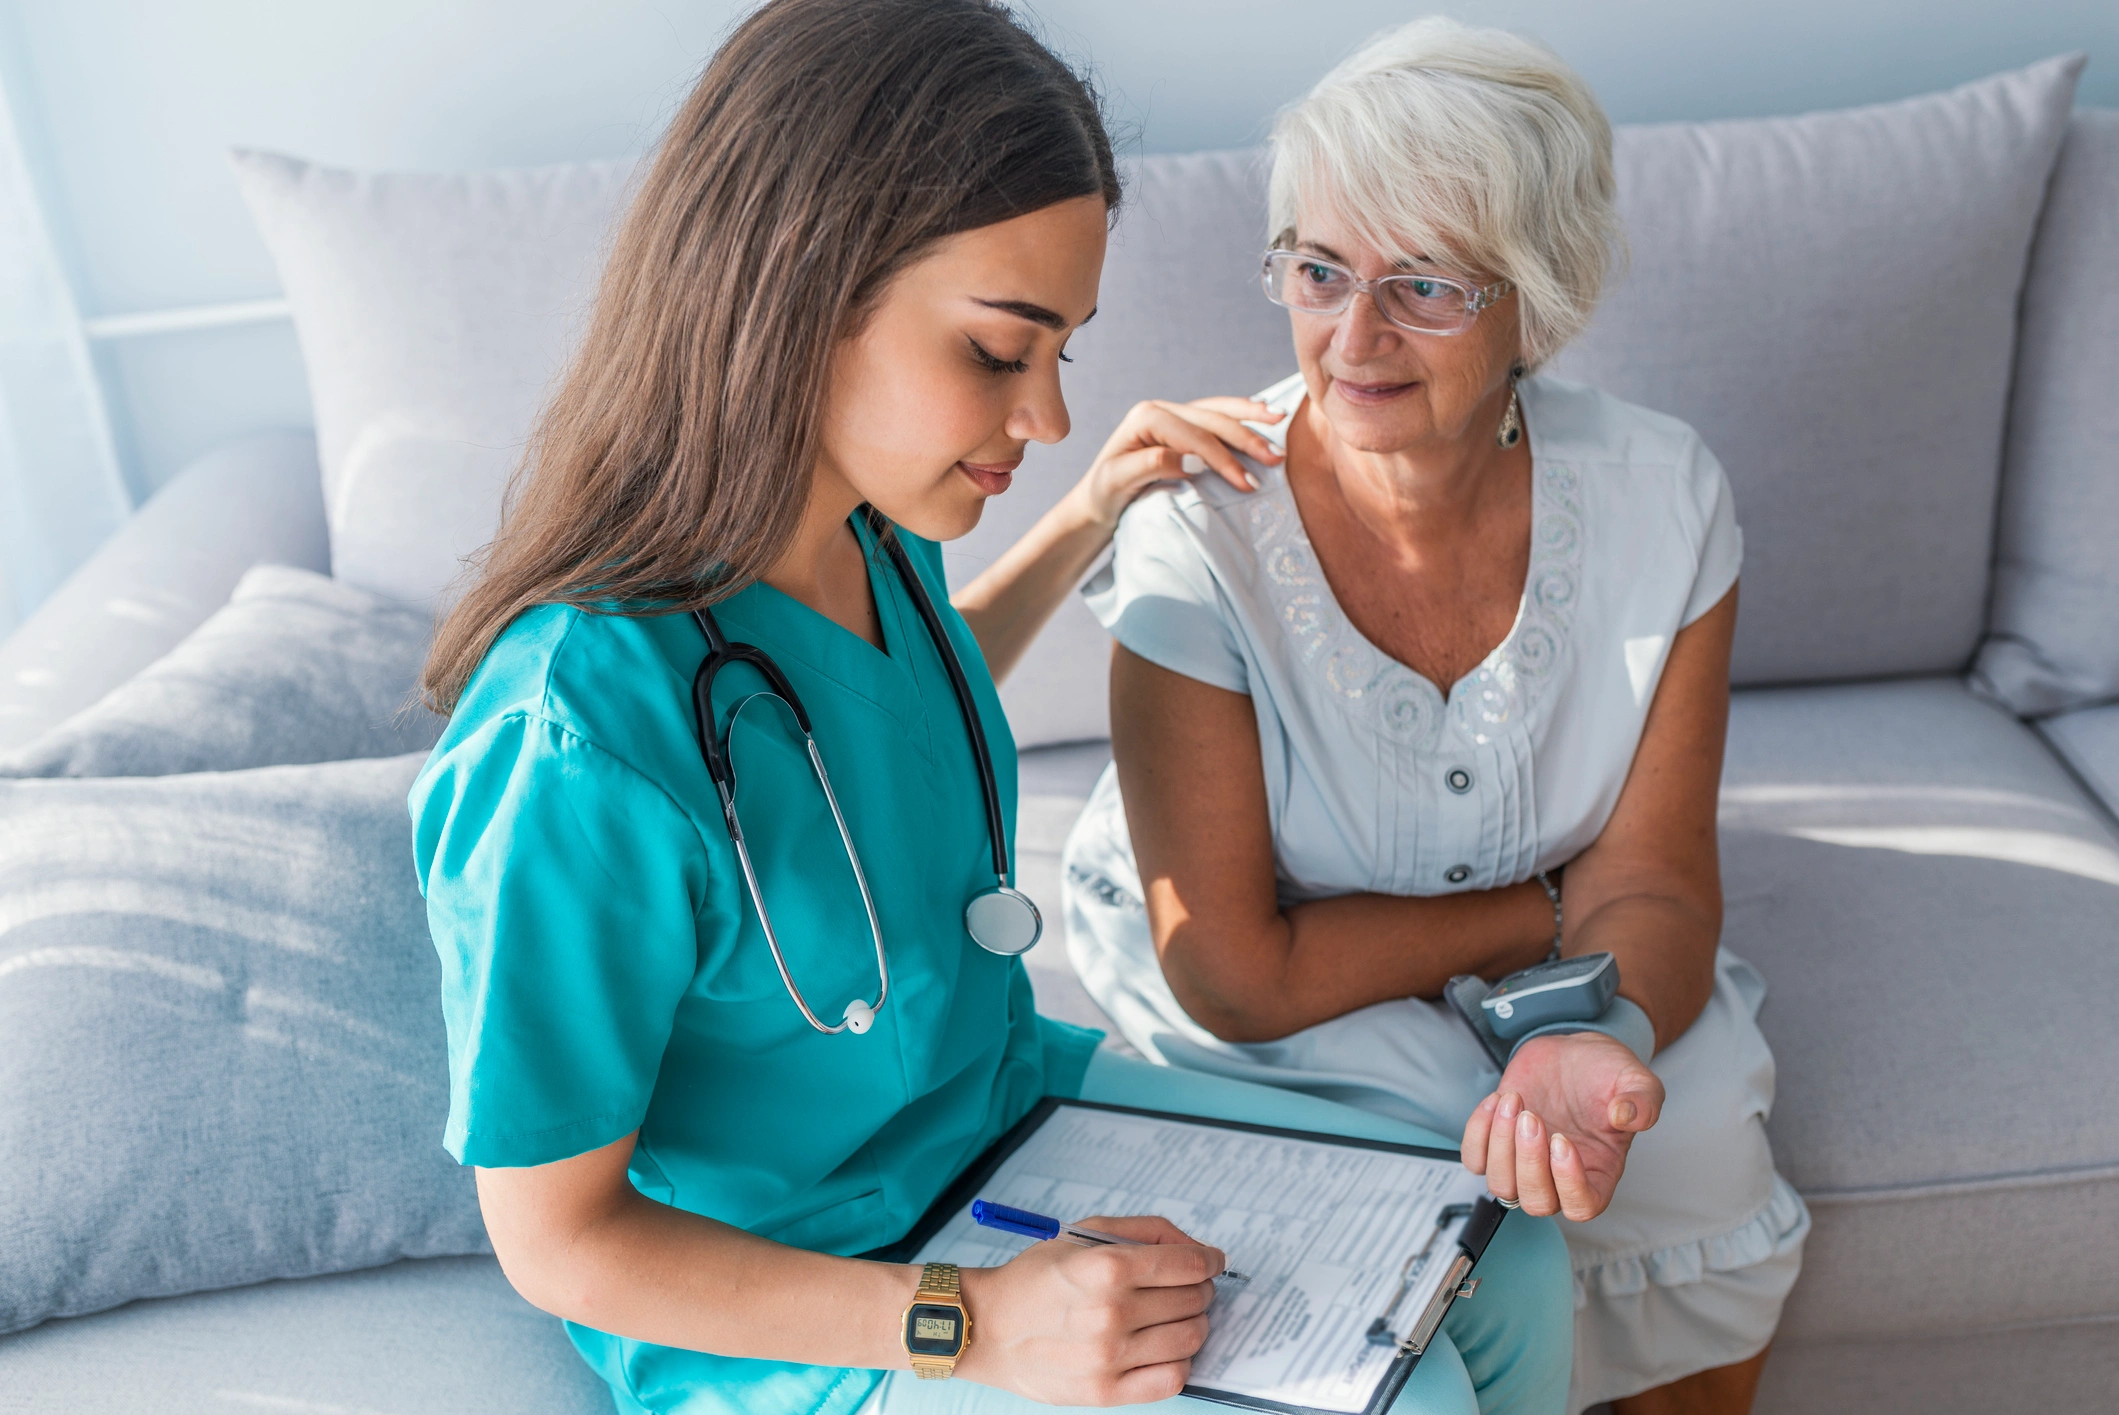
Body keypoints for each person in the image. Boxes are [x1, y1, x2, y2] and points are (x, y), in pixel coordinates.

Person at [409, 3, 1572, 1413]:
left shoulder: (867, 531)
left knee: (1494, 1256)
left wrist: (1090, 511)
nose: (1045, 418)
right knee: (1412, 1394)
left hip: (1000, 1116)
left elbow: (876, 722)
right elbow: (556, 1241)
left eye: (1061, 353)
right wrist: (971, 1327)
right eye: (996, 351)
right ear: (798, 292)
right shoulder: (571, 737)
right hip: (815, 1301)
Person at [1061, 18, 1809, 1415]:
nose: (1354, 336)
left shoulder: (1663, 493)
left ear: (1537, 297)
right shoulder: (1196, 532)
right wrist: (1543, 915)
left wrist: (1601, 1029)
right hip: (1277, 971)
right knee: (1445, 1149)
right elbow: (1234, 968)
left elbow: (1648, 878)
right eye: (1319, 269)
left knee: (1690, 1136)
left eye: (1423, 286)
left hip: (1570, 955)